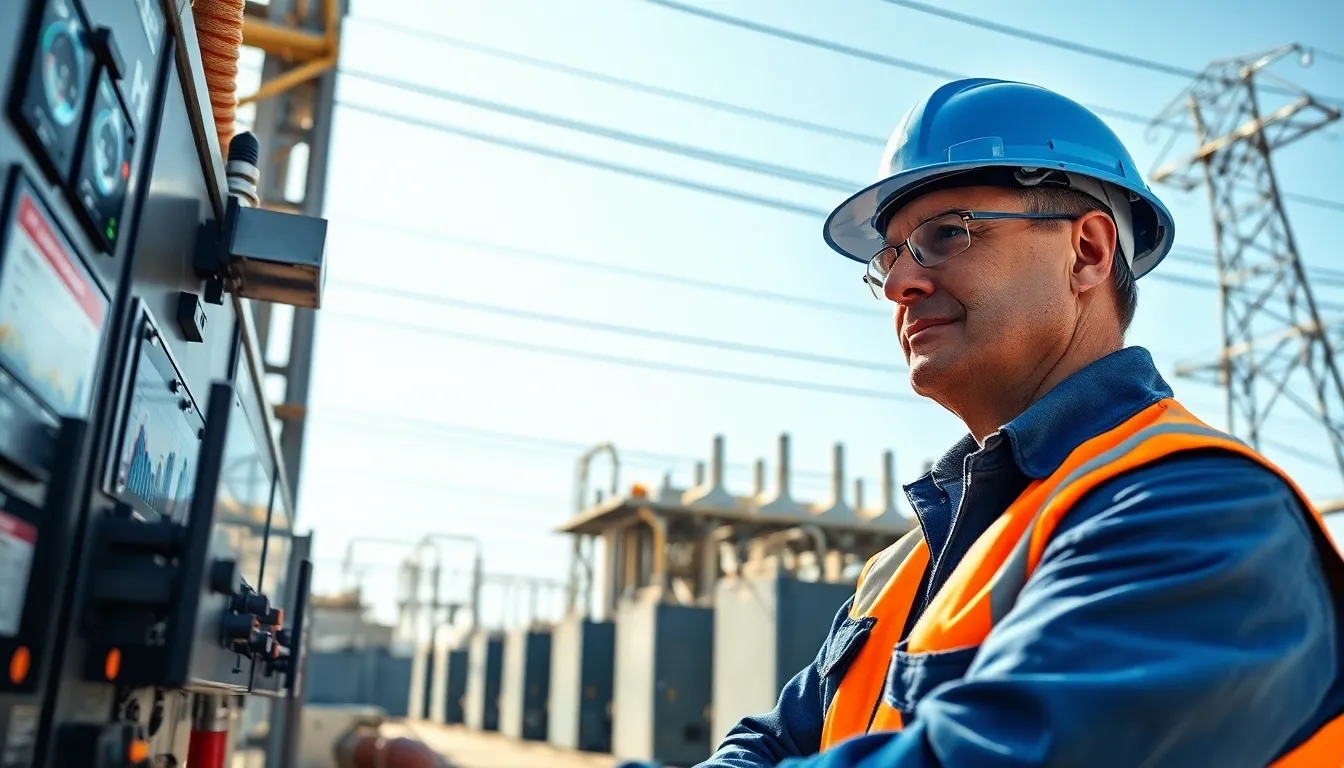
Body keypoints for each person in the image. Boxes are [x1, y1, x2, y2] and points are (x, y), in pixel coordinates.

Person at [622, 78, 1344, 768]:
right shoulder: (906, 563)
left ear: (1088, 252)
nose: (901, 284)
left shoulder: (1199, 512)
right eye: (889, 260)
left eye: (946, 235)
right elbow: (778, 740)